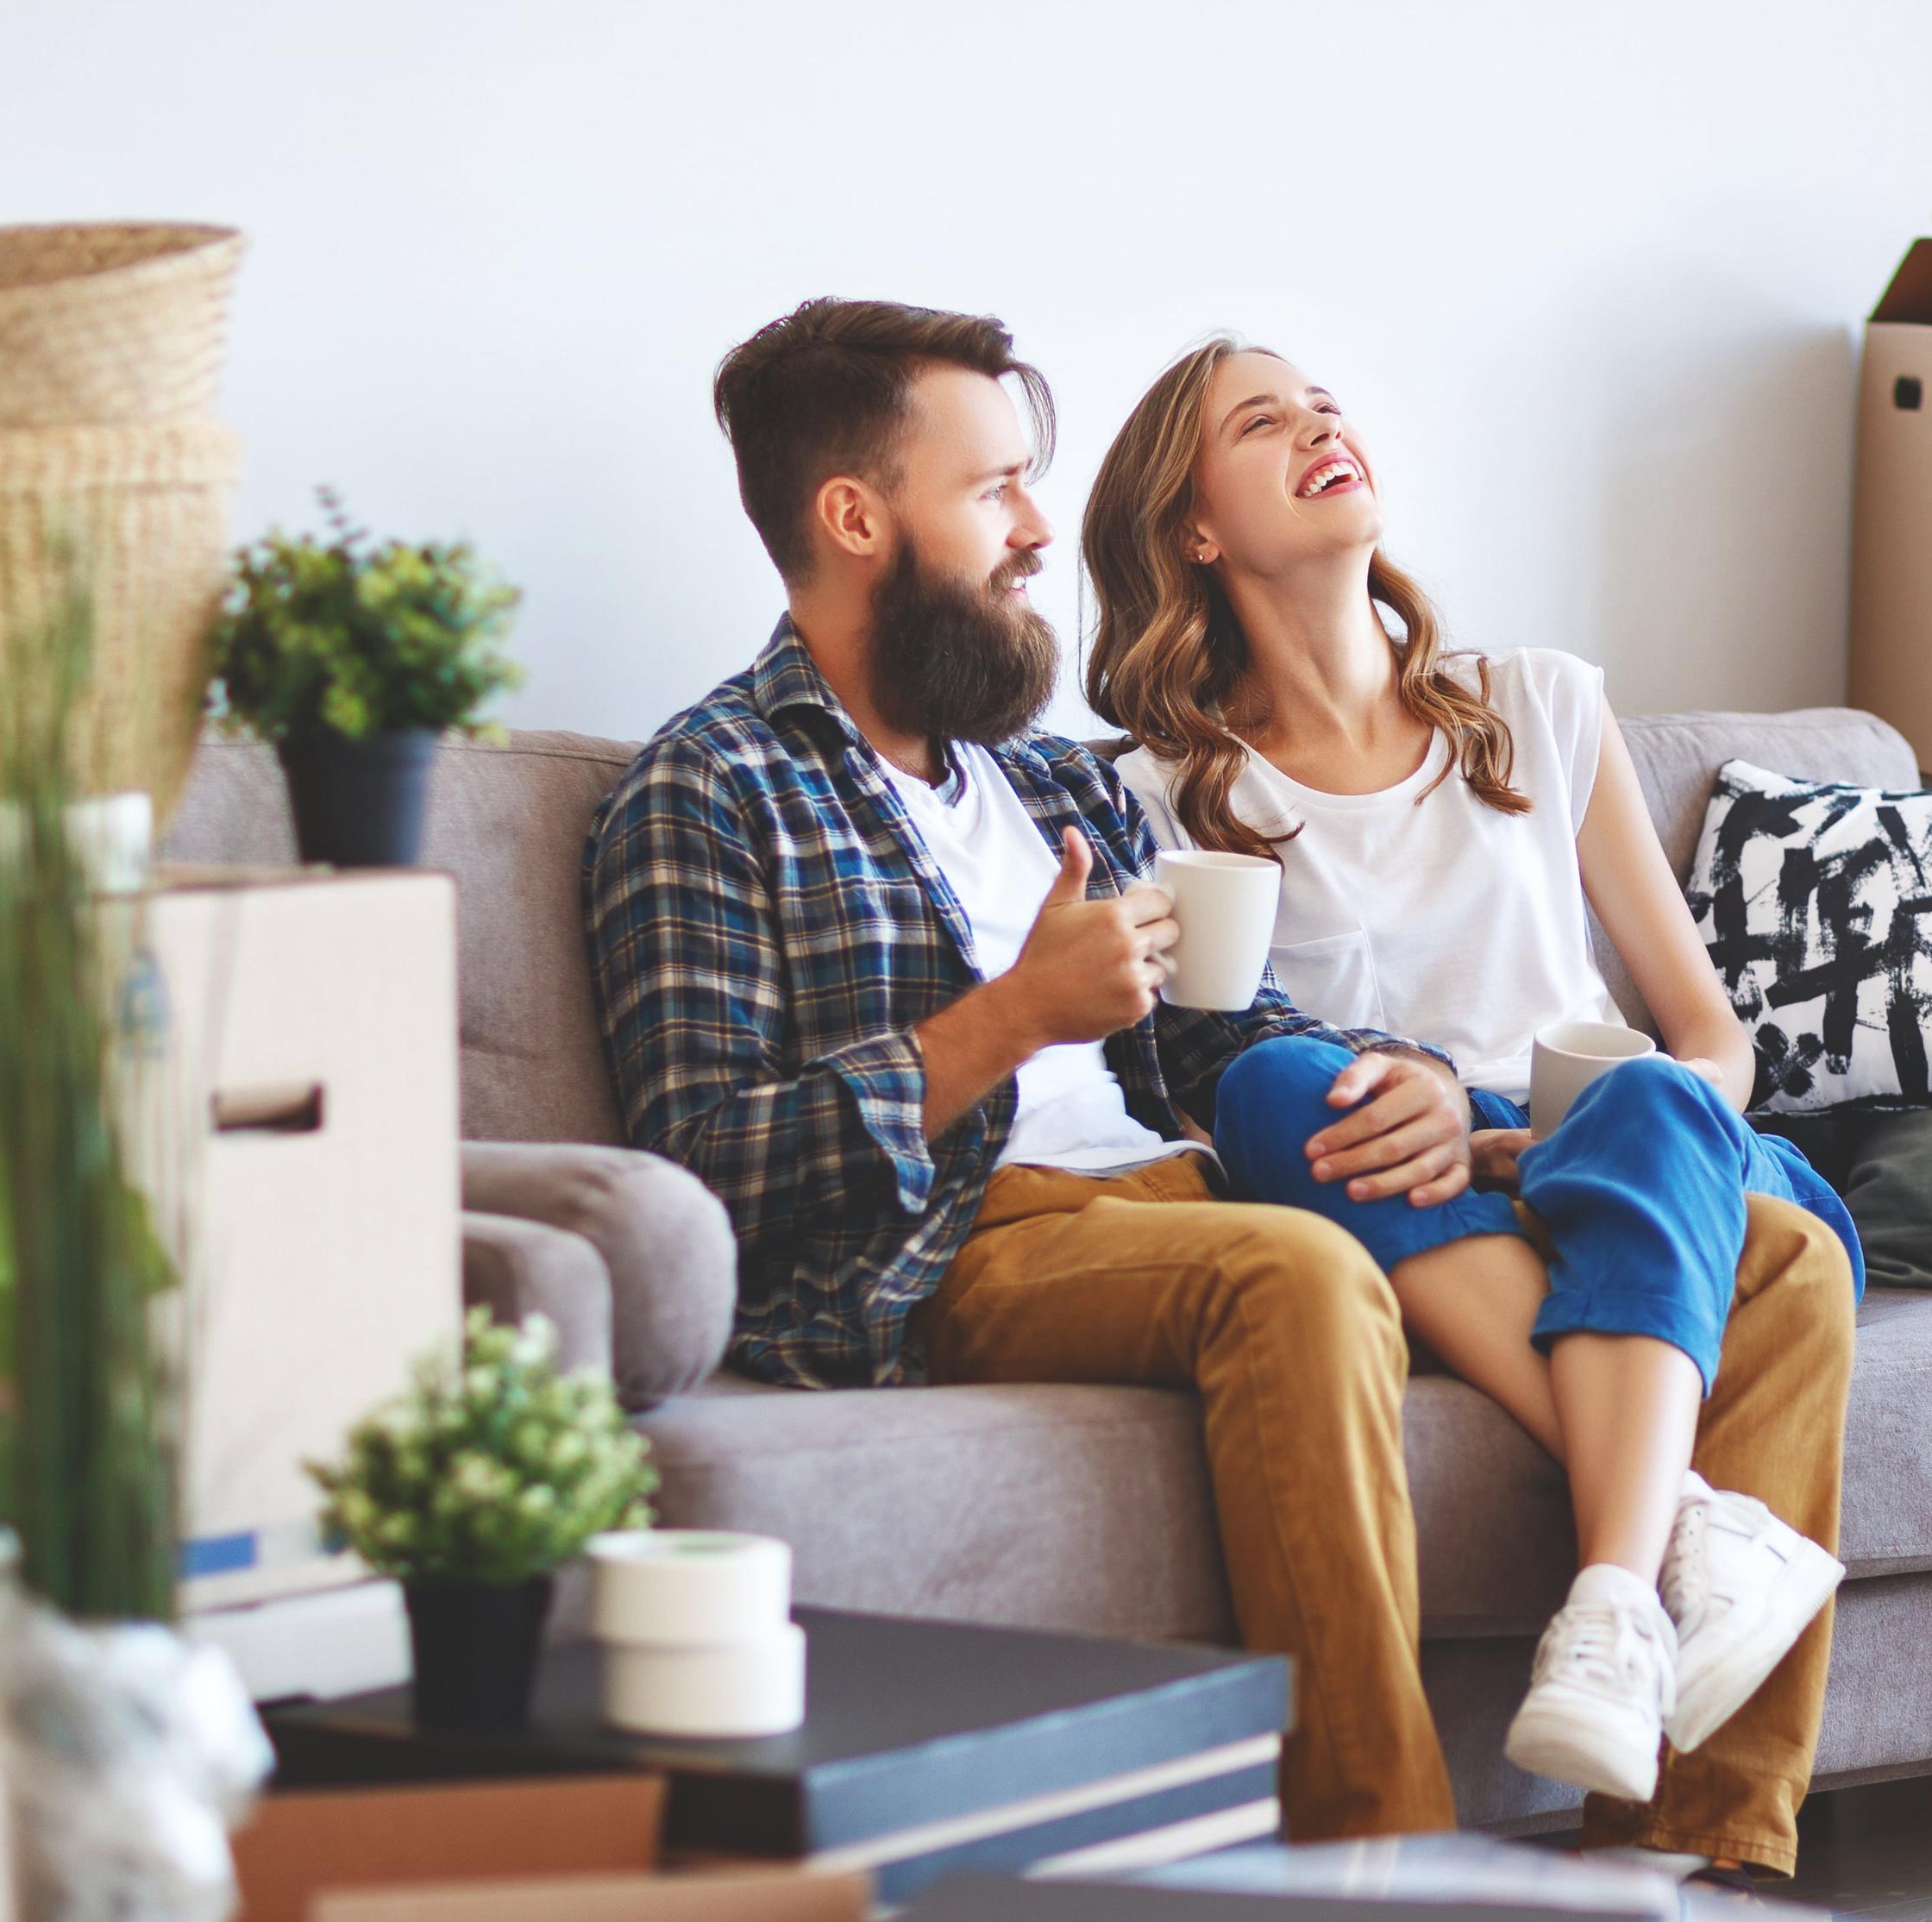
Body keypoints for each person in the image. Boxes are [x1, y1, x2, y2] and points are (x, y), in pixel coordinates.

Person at [582, 299, 1484, 1841]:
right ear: (857, 518)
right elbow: (708, 1177)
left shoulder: (1057, 777)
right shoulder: (709, 789)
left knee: (1719, 1246)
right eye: (994, 486)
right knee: (1300, 1278)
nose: (1033, 529)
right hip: (962, 1243)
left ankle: (1689, 1846)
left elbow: (1224, 1028)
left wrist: (1409, 1084)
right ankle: (1385, 1863)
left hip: (1182, 1190)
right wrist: (1010, 1018)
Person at [1083, 336, 1861, 1879]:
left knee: (1661, 1112)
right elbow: (1193, 1079)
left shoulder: (1538, 707)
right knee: (1271, 1083)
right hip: (1400, 1190)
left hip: (1621, 1152)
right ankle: (1673, 1548)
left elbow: (1713, 1044)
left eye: (1326, 401)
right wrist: (1424, 1111)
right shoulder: (1160, 794)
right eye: (1263, 420)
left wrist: (1512, 1119)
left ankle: (1661, 1788)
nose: (1321, 423)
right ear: (1194, 529)